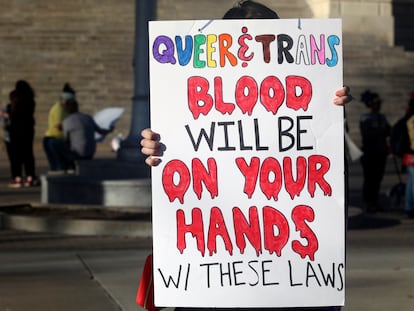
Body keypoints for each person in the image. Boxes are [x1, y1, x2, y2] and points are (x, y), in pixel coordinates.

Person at [140, 1, 352, 311]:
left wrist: (332, 113)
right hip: (212, 291)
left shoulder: (312, 100)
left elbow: (327, 186)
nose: (251, 55)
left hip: (292, 292)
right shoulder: (184, 100)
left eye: (263, 41)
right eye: (242, 45)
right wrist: (158, 150)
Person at [359, 90, 391, 213]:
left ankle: (375, 201)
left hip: (380, 152)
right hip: (369, 153)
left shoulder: (381, 117)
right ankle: (368, 203)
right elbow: (367, 135)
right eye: (376, 102)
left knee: (378, 179)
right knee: (369, 179)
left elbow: (388, 130)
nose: (379, 105)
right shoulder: (365, 118)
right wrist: (380, 131)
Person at [60, 98, 113, 169]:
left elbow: (66, 140)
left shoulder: (66, 121)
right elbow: (101, 131)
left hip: (77, 154)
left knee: (55, 143)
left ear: (66, 109)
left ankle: (65, 168)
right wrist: (110, 129)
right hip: (90, 152)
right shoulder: (88, 117)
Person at [7, 80, 38, 188]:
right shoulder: (31, 100)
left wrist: (7, 114)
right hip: (28, 130)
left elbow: (13, 116)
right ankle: (30, 177)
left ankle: (17, 178)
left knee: (15, 155)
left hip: (14, 131)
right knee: (28, 154)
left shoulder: (15, 101)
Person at [43, 82, 76, 173]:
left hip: (60, 139)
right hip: (53, 140)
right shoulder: (59, 109)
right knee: (58, 168)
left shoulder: (67, 109)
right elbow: (58, 126)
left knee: (64, 168)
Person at [394, 92, 414, 218]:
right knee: (412, 182)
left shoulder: (407, 118)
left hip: (409, 153)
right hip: (411, 153)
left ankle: (409, 205)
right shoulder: (410, 119)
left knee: (411, 182)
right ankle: (409, 206)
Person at [1, 91, 14, 180]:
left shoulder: (10, 108)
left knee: (14, 157)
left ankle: (17, 176)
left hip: (13, 134)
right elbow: (4, 124)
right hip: (8, 135)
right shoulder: (7, 108)